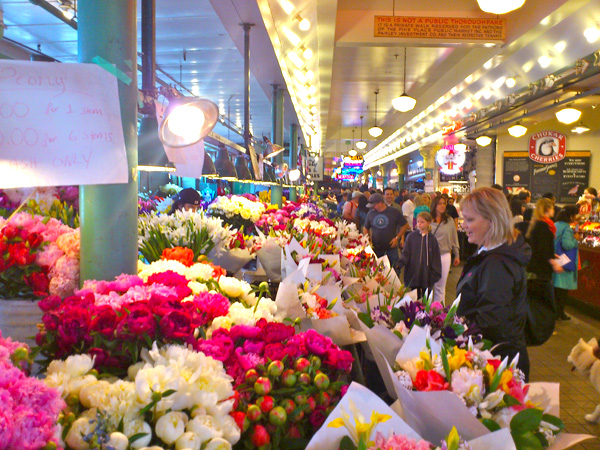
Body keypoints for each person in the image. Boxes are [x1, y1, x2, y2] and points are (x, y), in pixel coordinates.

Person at [456, 187, 532, 379]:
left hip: (497, 364)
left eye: (469, 219)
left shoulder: (497, 263)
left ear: (491, 220)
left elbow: (490, 322)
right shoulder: (489, 252)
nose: (463, 225)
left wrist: (456, 334)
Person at [397, 211, 442, 299]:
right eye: (418, 221)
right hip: (413, 273)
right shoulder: (411, 237)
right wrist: (400, 263)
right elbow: (406, 253)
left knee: (426, 298)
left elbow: (436, 258)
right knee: (415, 297)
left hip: (427, 275)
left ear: (428, 223)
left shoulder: (432, 240)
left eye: (422, 222)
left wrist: (435, 274)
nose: (419, 224)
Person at [363, 193, 409, 270]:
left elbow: (405, 225)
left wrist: (397, 238)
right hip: (376, 249)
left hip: (391, 249)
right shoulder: (370, 213)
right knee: (377, 271)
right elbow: (366, 228)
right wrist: (367, 240)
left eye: (374, 205)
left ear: (380, 203)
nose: (372, 208)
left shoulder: (394, 212)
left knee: (394, 271)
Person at [430, 195, 460, 304]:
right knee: (428, 286)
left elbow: (454, 237)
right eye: (440, 203)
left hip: (444, 255)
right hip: (429, 256)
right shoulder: (428, 220)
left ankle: (437, 314)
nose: (442, 206)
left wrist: (456, 254)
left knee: (441, 287)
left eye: (444, 203)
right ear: (434, 205)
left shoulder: (449, 220)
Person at [553, 205, 580, 321]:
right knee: (562, 291)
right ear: (570, 215)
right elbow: (567, 244)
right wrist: (575, 239)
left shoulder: (555, 225)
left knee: (555, 290)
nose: (576, 217)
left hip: (555, 259)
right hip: (564, 262)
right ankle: (560, 313)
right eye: (575, 214)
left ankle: (554, 312)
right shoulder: (567, 228)